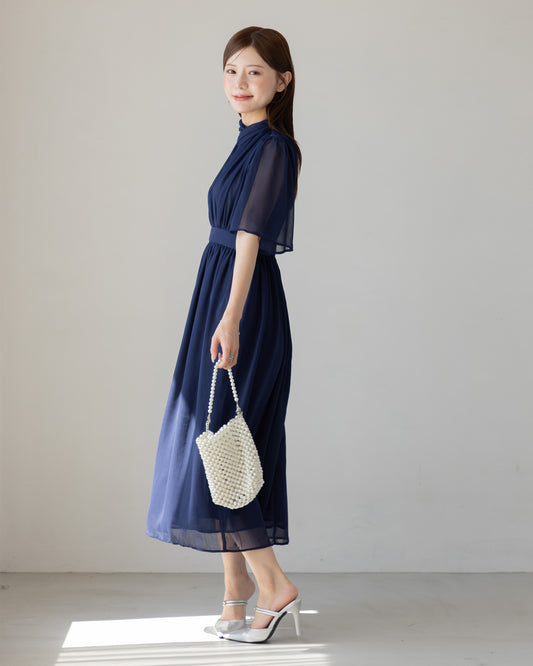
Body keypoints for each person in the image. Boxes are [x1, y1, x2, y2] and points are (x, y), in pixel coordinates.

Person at [145, 26, 302, 643]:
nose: (240, 82)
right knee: (216, 437)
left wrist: (231, 316)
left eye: (255, 71)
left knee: (225, 439)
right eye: (232, 70)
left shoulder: (274, 148)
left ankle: (273, 585)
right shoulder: (246, 141)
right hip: (218, 291)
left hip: (242, 298)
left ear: (282, 81)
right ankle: (236, 594)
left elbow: (249, 236)